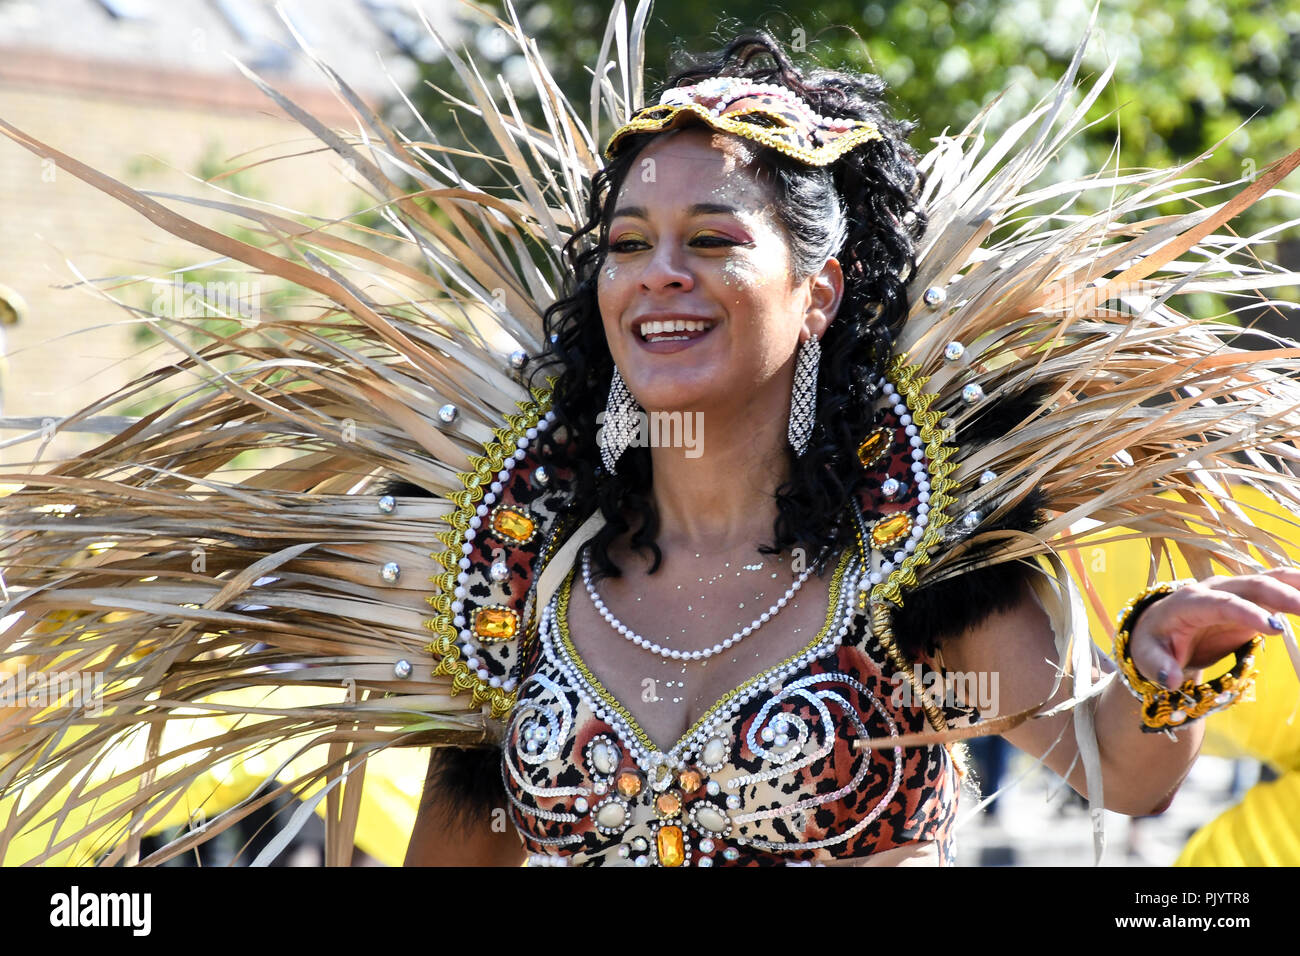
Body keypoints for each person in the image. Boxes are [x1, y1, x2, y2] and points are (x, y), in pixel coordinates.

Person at [2, 5, 1299, 867]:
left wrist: (1166, 670)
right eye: (628, 246)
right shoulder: (516, 579)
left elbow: (1116, 774)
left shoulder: (917, 563)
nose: (658, 276)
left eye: (714, 242)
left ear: (823, 290)